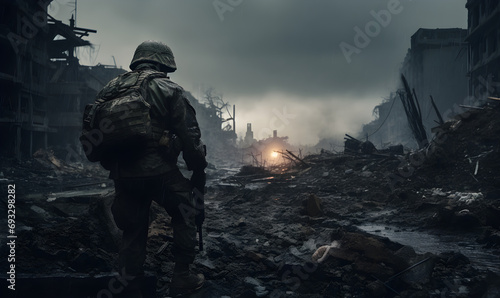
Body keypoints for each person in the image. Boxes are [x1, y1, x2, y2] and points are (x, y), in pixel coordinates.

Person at [98, 40, 207, 297]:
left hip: (123, 172)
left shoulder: (111, 88)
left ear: (138, 61)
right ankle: (182, 276)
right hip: (159, 170)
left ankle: (130, 279)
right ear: (163, 64)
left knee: (133, 225)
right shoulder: (169, 88)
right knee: (186, 211)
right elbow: (190, 136)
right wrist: (197, 168)